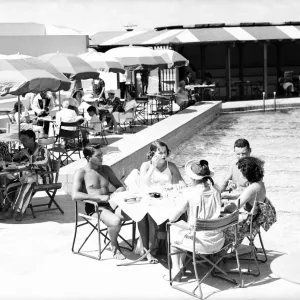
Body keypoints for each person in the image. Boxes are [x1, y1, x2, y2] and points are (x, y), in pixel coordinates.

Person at [168, 159, 224, 282]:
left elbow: (172, 218)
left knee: (173, 227)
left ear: (191, 178)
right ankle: (182, 264)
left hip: (200, 243)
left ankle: (176, 268)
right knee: (186, 228)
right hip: (218, 240)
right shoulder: (216, 190)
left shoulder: (190, 193)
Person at [72, 145, 129, 260]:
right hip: (95, 207)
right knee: (116, 221)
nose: (101, 158)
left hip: (111, 203)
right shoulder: (82, 172)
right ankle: (114, 245)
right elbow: (75, 195)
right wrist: (98, 198)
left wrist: (117, 192)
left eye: (102, 154)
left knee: (138, 214)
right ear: (88, 158)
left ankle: (144, 247)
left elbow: (120, 186)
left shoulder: (106, 169)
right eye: (98, 155)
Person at [138, 140, 186, 263]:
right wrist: (153, 166)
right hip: (152, 200)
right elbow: (143, 185)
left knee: (182, 211)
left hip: (167, 200)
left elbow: (181, 182)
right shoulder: (146, 166)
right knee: (147, 215)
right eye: (160, 153)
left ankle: (176, 246)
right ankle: (149, 251)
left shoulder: (171, 166)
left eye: (165, 152)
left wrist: (180, 184)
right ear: (152, 153)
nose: (163, 155)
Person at [223, 156, 276, 247]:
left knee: (217, 226)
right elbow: (246, 196)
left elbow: (234, 207)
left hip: (245, 226)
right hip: (253, 222)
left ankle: (217, 254)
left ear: (247, 174)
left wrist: (223, 207)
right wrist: (228, 196)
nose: (241, 175)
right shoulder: (260, 184)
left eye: (242, 172)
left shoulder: (252, 188)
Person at [3, 130, 50, 220]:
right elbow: (17, 162)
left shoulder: (43, 150)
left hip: (43, 177)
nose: (22, 142)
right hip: (28, 177)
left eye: (24, 139)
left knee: (25, 187)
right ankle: (8, 208)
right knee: (10, 186)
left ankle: (18, 211)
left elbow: (44, 162)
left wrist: (29, 158)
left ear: (32, 139)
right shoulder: (26, 151)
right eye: (21, 140)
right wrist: (15, 158)